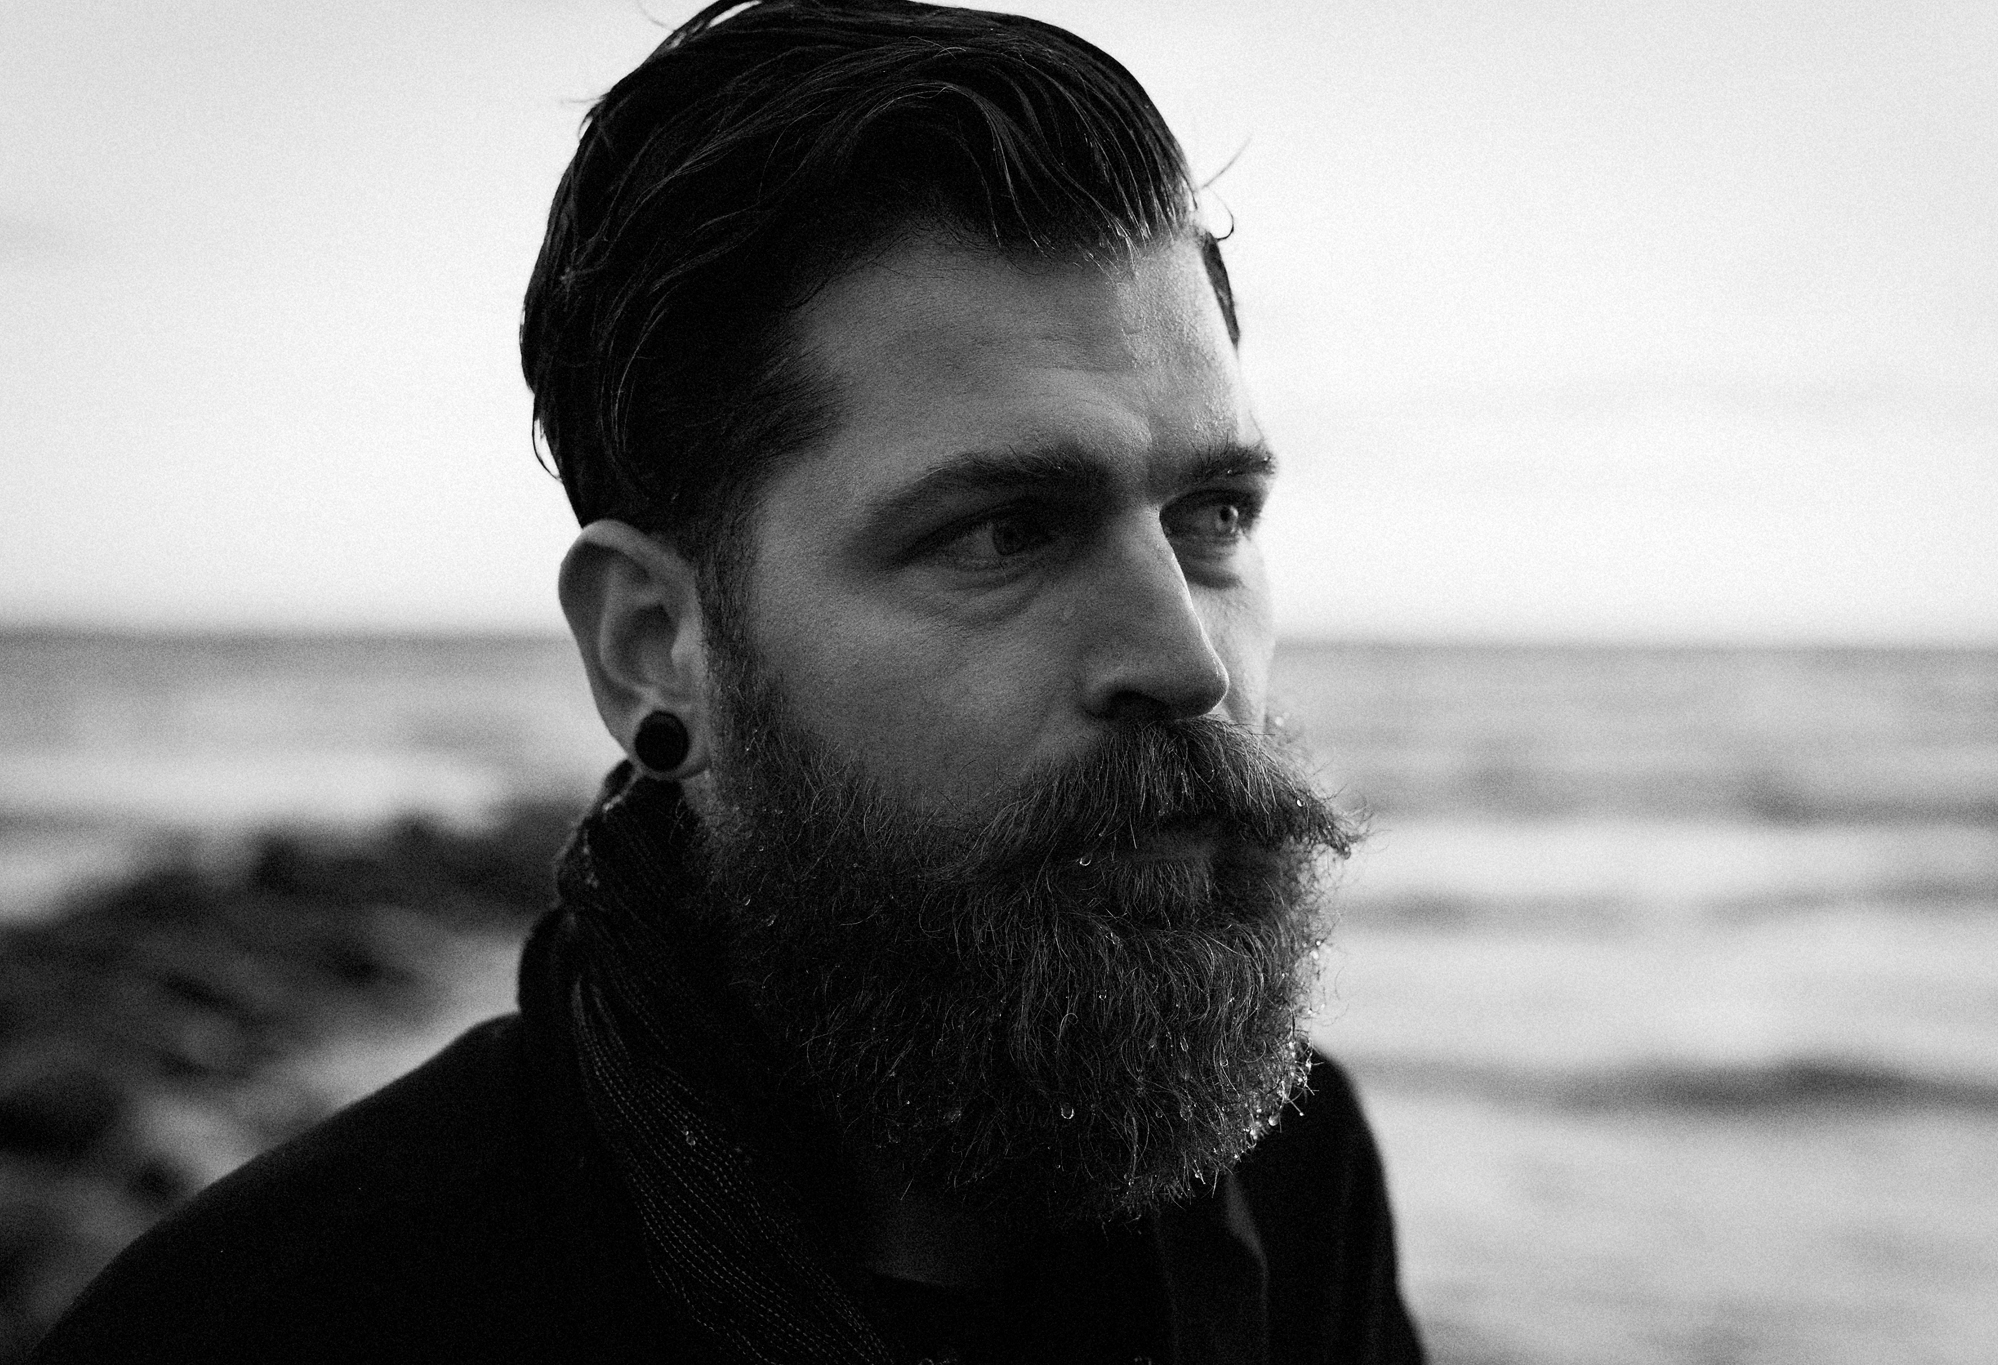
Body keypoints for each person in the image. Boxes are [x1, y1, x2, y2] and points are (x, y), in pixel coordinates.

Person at [35, 2, 1425, 1360]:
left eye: (1214, 516)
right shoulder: (276, 1320)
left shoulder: (1286, 1181)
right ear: (655, 645)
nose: (1186, 660)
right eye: (1004, 531)